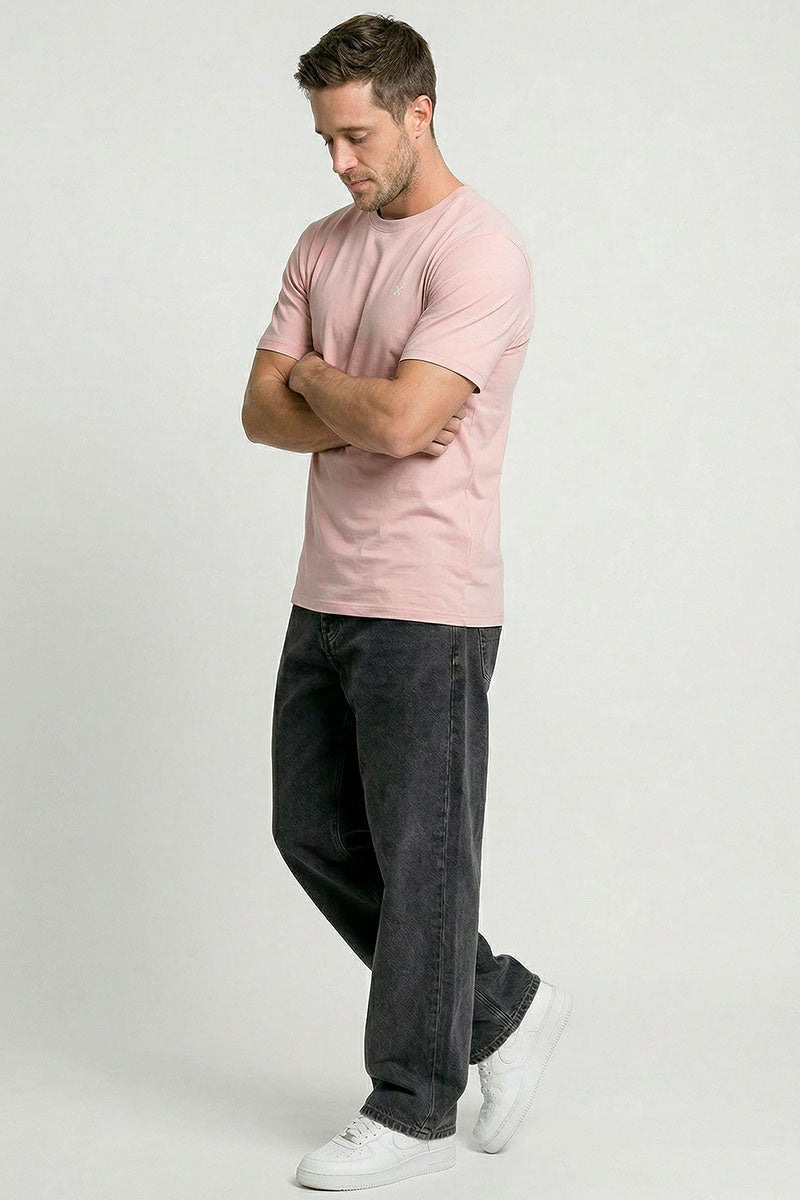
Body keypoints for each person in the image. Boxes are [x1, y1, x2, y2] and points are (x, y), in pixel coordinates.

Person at [242, 13, 573, 1191]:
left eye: (357, 137)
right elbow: (258, 413)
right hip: (323, 590)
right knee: (310, 832)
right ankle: (499, 1009)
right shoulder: (320, 245)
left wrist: (325, 387)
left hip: (428, 605)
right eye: (325, 140)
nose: (340, 161)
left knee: (422, 858)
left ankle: (412, 1107)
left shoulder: (478, 252)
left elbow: (402, 420)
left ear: (418, 112)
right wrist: (349, 396)